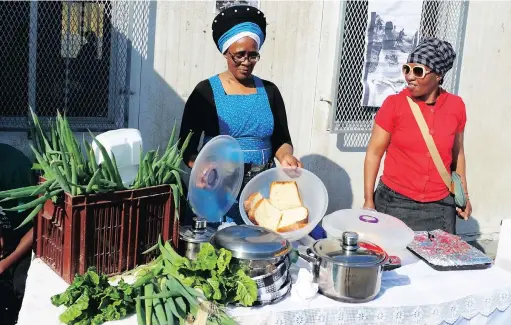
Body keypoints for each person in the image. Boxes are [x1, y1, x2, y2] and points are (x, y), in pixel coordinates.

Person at [178, 5, 301, 225]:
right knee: (218, 246)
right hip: (219, 186)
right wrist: (200, 166)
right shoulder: (205, 92)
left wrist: (286, 157)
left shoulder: (270, 91)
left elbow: (281, 139)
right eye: (239, 55)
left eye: (253, 55)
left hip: (261, 188)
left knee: (258, 246)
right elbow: (185, 146)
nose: (246, 62)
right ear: (226, 53)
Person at [363, 37, 472, 233]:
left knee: (439, 263)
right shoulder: (394, 104)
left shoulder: (456, 106)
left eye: (418, 71)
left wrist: (463, 195)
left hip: (440, 207)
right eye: (407, 69)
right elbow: (374, 153)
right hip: (394, 203)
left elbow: (458, 155)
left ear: (438, 75)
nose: (409, 77)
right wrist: (368, 200)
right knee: (393, 262)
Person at [0, 144, 36, 325]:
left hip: (25, 240)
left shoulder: (15, 168)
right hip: (4, 237)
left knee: (22, 285)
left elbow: (39, 225)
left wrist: (5, 263)